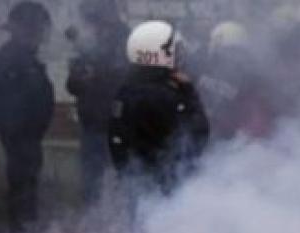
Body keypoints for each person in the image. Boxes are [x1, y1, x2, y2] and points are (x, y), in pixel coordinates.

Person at [108, 20, 209, 196]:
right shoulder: (164, 95)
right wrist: (189, 94)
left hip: (138, 182)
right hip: (165, 187)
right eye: (174, 50)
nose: (179, 56)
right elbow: (196, 136)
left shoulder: (126, 89)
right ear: (158, 52)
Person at [0, 1, 53, 230]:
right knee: (23, 189)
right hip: (21, 137)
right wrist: (19, 133)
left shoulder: (26, 57)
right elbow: (8, 104)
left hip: (29, 137)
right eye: (36, 28)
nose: (40, 34)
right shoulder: (10, 58)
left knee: (27, 187)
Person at [65, 0, 128, 204]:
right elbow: (72, 84)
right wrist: (79, 78)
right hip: (91, 124)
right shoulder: (87, 41)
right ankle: (92, 222)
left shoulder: (126, 39)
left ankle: (122, 226)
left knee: (123, 182)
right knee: (91, 183)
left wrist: (98, 74)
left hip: (118, 124)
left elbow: (126, 77)